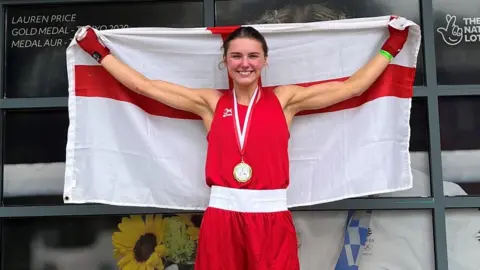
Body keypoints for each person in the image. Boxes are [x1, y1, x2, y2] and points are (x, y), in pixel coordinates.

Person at [74, 16, 409, 270]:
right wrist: (97, 50)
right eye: (236, 56)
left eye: (252, 55)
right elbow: (144, 86)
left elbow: (352, 87)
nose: (244, 63)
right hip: (222, 217)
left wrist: (392, 45)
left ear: (265, 61)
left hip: (271, 217)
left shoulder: (284, 100)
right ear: (225, 61)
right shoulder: (210, 103)